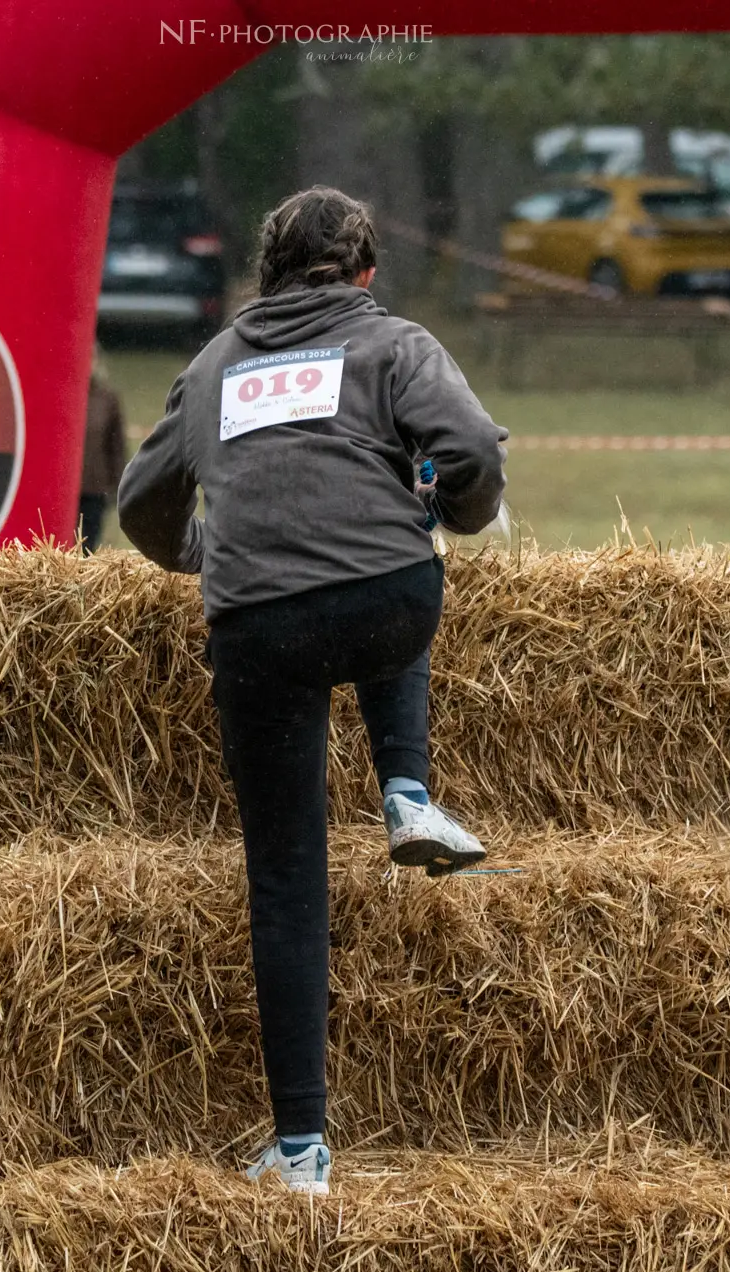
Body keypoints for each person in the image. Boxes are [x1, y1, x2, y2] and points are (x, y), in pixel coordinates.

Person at [116, 186, 508, 1196]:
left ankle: (300, 1153)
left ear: (265, 272)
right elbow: (467, 449)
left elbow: (137, 501)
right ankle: (407, 791)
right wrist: (443, 512)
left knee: (286, 880)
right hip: (386, 602)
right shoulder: (394, 345)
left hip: (257, 623)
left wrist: (207, 551)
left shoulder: (211, 365)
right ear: (365, 273)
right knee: (385, 553)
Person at [79, 345, 127, 552]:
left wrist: (118, 486)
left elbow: (116, 447)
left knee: (87, 547)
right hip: (63, 492)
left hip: (94, 490)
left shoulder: (107, 399)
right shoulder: (61, 394)